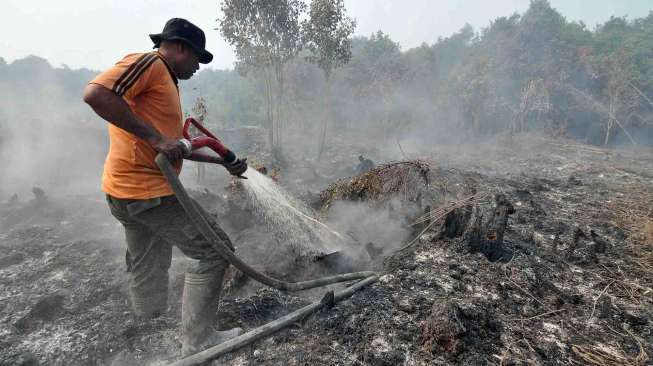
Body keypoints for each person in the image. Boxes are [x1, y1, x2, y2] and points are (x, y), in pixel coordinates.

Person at [82, 18, 247, 357]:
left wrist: (223, 162)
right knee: (216, 250)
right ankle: (199, 340)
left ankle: (146, 327)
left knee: (150, 258)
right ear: (181, 48)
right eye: (197, 59)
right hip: (147, 192)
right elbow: (95, 94)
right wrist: (156, 138)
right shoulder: (150, 63)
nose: (197, 68)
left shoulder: (164, 83)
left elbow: (177, 145)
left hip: (124, 192)